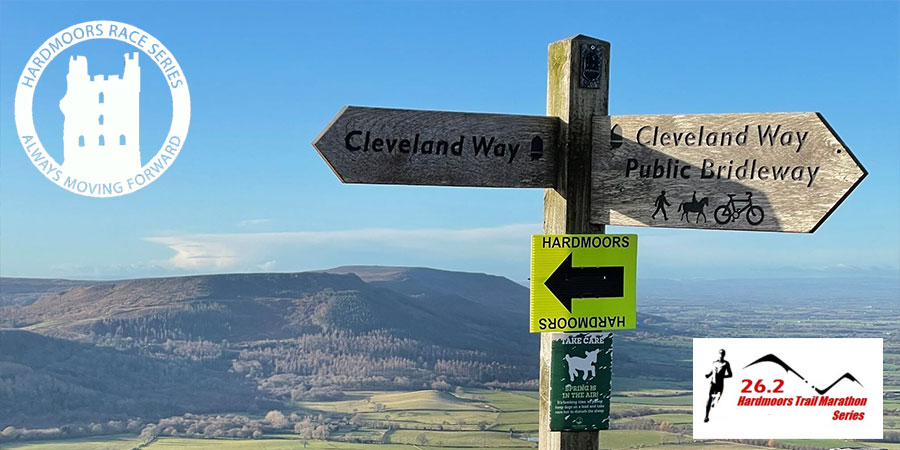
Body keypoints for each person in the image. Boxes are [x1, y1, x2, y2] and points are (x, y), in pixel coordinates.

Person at [704, 349, 732, 423]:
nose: (721, 355)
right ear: (718, 354)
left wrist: (722, 376)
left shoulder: (726, 364)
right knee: (709, 398)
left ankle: (714, 403)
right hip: (713, 383)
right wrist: (708, 375)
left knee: (715, 401)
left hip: (720, 384)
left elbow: (730, 375)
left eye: (722, 353)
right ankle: (706, 416)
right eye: (720, 353)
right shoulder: (714, 363)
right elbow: (712, 371)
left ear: (724, 354)